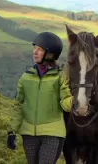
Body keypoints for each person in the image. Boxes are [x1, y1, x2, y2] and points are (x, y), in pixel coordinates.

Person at [7, 32, 74, 164]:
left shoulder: (61, 77)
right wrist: (12, 131)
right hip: (29, 134)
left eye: (40, 49)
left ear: (50, 54)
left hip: (52, 133)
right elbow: (18, 105)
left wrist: (76, 100)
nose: (35, 52)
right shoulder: (25, 77)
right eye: (35, 48)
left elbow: (66, 102)